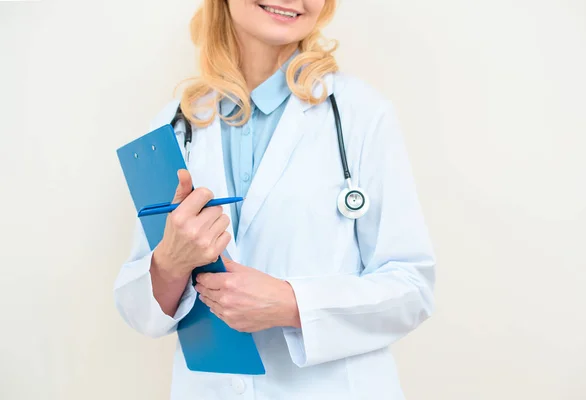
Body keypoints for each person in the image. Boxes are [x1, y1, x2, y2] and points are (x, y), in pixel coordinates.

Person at [113, 1, 436, 399]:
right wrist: (171, 262)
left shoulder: (361, 115)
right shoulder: (175, 125)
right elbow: (140, 312)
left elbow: (412, 286)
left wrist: (291, 303)